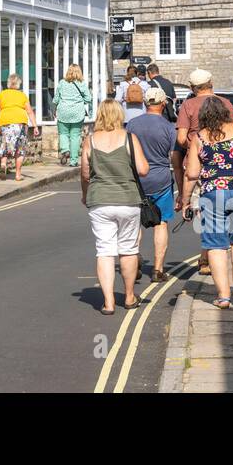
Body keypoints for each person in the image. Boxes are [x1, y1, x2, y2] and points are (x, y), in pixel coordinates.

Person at [181, 94, 233, 309]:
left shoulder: (199, 137)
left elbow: (191, 173)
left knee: (215, 244)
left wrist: (185, 200)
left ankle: (224, 296)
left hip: (212, 193)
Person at [81, 98, 151, 315]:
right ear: (120, 115)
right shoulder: (130, 138)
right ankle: (129, 296)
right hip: (128, 200)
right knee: (128, 249)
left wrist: (85, 195)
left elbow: (84, 174)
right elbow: (143, 170)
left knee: (104, 250)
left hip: (100, 200)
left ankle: (109, 302)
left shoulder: (90, 141)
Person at [175, 69, 233, 276]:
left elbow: (181, 138)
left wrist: (197, 144)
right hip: (223, 163)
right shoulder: (225, 103)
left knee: (203, 211)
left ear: (192, 88)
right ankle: (211, 254)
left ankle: (206, 256)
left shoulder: (188, 105)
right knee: (222, 208)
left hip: (197, 162)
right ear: (211, 82)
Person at [126, 87, 183, 282]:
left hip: (136, 181)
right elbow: (175, 161)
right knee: (161, 223)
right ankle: (158, 269)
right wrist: (182, 191)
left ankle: (134, 260)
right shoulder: (168, 128)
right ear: (163, 104)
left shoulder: (132, 124)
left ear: (145, 103)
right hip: (160, 180)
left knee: (134, 223)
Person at [0, 73, 38, 182]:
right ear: (19, 84)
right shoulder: (22, 95)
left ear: (8, 83)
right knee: (19, 149)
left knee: (5, 144)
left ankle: (3, 164)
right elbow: (29, 111)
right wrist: (35, 126)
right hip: (19, 123)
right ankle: (18, 175)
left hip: (4, 122)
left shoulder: (2, 94)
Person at [54, 63, 92, 168]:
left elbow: (56, 99)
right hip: (77, 112)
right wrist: (80, 101)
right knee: (75, 136)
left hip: (63, 112)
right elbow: (89, 99)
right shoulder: (82, 84)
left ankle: (65, 150)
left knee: (63, 133)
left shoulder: (62, 83)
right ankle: (74, 161)